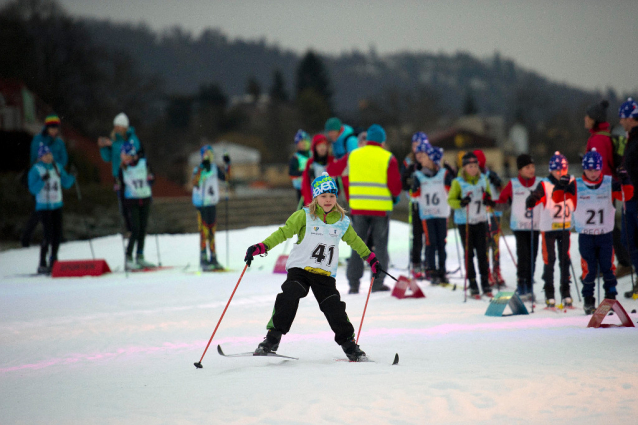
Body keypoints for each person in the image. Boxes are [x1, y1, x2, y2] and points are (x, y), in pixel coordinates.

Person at [244, 173, 379, 361]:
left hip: (325, 275)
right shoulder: (303, 216)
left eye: (332, 195)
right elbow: (283, 233)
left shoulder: (342, 221)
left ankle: (350, 346)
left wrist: (371, 258)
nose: (328, 200)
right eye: (323, 196)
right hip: (300, 270)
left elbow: (355, 241)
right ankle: (271, 339)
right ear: (316, 197)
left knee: (334, 307)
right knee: (289, 295)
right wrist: (261, 247)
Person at [554, 149, 633, 313]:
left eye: (596, 169)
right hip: (586, 236)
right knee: (589, 270)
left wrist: (626, 180)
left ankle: (611, 297)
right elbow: (556, 198)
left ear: (601, 168)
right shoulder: (576, 184)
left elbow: (627, 195)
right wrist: (560, 184)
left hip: (605, 235)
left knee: (608, 268)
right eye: (589, 169)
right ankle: (588, 300)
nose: (592, 173)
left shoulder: (609, 183)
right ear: (584, 168)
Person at [345, 124, 402, 294]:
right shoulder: (388, 158)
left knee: (357, 246)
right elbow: (395, 187)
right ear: (382, 141)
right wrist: (395, 197)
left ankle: (354, 284)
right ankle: (377, 284)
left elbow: (347, 180)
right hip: (380, 209)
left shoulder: (353, 156)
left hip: (358, 208)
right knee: (380, 247)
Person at [584, 100, 632, 277]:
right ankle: (624, 260)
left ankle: (621, 261)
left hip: (602, 189)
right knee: (609, 225)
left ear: (595, 119)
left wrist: (595, 188)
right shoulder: (604, 136)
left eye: (588, 116)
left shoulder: (597, 139)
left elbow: (600, 168)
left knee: (604, 226)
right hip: (608, 186)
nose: (585, 119)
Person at [525, 152, 574, 308]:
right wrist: (532, 199)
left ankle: (566, 292)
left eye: (563, 170)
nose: (560, 173)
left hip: (565, 227)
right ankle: (549, 292)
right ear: (551, 170)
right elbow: (537, 195)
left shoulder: (571, 181)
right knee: (550, 260)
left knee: (565, 260)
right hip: (549, 229)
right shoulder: (545, 183)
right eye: (557, 170)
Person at [448, 152, 494, 298]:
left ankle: (485, 282)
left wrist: (488, 200)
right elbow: (451, 200)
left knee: (482, 253)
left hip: (480, 220)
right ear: (464, 168)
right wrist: (461, 202)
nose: (473, 169)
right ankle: (473, 283)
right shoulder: (458, 182)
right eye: (470, 166)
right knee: (469, 253)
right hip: (465, 223)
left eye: (475, 166)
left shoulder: (483, 179)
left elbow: (488, 195)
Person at [495, 154, 542, 300]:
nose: (531, 170)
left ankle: (529, 283)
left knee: (533, 257)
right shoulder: (513, 184)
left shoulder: (540, 183)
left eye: (533, 167)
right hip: (520, 227)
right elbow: (503, 203)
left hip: (535, 226)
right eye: (527, 167)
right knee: (523, 256)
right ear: (520, 170)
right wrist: (491, 203)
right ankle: (521, 283)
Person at [22, 114, 69, 247]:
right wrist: (42, 170)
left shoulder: (59, 142)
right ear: (47, 128)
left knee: (56, 207)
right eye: (52, 128)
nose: (54, 131)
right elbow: (34, 158)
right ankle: (27, 237)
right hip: (41, 178)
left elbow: (63, 159)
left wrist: (56, 167)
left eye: (56, 128)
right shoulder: (38, 140)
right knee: (40, 210)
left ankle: (58, 235)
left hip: (54, 178)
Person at [27, 144, 75, 274]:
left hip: (57, 205)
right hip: (43, 206)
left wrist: (72, 176)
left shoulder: (57, 167)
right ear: (40, 157)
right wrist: (42, 180)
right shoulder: (36, 170)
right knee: (48, 234)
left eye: (49, 155)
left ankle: (54, 258)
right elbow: (32, 188)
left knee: (57, 234)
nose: (48, 157)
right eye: (45, 155)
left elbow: (65, 183)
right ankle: (42, 261)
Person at [412, 140, 453, 285]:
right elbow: (414, 195)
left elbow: (451, 190)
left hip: (441, 214)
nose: (422, 160)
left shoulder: (443, 174)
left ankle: (442, 270)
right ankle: (431, 270)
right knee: (431, 242)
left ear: (432, 160)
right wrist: (412, 185)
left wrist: (453, 176)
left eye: (425, 157)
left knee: (441, 243)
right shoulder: (419, 175)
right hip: (427, 214)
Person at [98, 112, 142, 231]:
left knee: (132, 203)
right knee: (122, 204)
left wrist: (112, 144)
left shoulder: (131, 138)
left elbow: (131, 150)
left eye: (119, 126)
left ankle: (136, 228)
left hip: (130, 175)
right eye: (115, 126)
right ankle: (129, 229)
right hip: (118, 175)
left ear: (125, 127)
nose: (116, 128)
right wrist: (103, 147)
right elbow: (108, 158)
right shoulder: (115, 139)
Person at [192, 145, 230, 271]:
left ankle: (213, 257)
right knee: (204, 232)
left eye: (211, 153)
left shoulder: (214, 168)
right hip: (202, 205)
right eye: (207, 153)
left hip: (212, 204)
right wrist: (202, 170)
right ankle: (203, 259)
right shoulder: (199, 169)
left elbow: (226, 178)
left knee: (212, 232)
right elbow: (195, 182)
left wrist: (227, 164)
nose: (209, 156)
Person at [118, 142, 155, 270]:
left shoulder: (143, 163)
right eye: (122, 155)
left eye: (125, 155)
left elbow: (152, 178)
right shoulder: (122, 169)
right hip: (131, 201)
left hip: (144, 199)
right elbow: (121, 188)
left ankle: (140, 255)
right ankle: (128, 257)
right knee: (135, 229)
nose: (123, 158)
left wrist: (151, 179)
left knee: (143, 228)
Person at [474, 149, 504, 287]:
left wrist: (498, 184)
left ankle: (496, 270)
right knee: (484, 244)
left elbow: (502, 192)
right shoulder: (474, 177)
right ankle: (487, 272)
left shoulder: (491, 174)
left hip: (494, 213)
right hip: (480, 214)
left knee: (495, 244)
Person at [618, 98, 638, 298]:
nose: (621, 121)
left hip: (635, 197)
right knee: (628, 241)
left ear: (631, 119)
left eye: (623, 118)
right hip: (630, 196)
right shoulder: (630, 137)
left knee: (631, 241)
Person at [401, 132, 428, 279]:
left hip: (429, 201)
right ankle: (416, 262)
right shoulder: (408, 160)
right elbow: (403, 179)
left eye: (420, 144)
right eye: (414, 144)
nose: (416, 147)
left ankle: (429, 263)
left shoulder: (429, 158)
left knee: (430, 235)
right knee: (417, 235)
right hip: (416, 201)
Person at [301, 134, 333, 206]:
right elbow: (305, 184)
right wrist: (308, 202)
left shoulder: (332, 161)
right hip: (316, 201)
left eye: (324, 145)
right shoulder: (310, 163)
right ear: (315, 148)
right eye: (319, 146)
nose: (322, 148)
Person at [288, 130, 311, 202]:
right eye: (301, 141)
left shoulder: (312, 154)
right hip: (301, 187)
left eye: (306, 141)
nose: (304, 143)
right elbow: (292, 172)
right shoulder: (296, 158)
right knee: (303, 207)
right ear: (297, 144)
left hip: (313, 185)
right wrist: (304, 173)